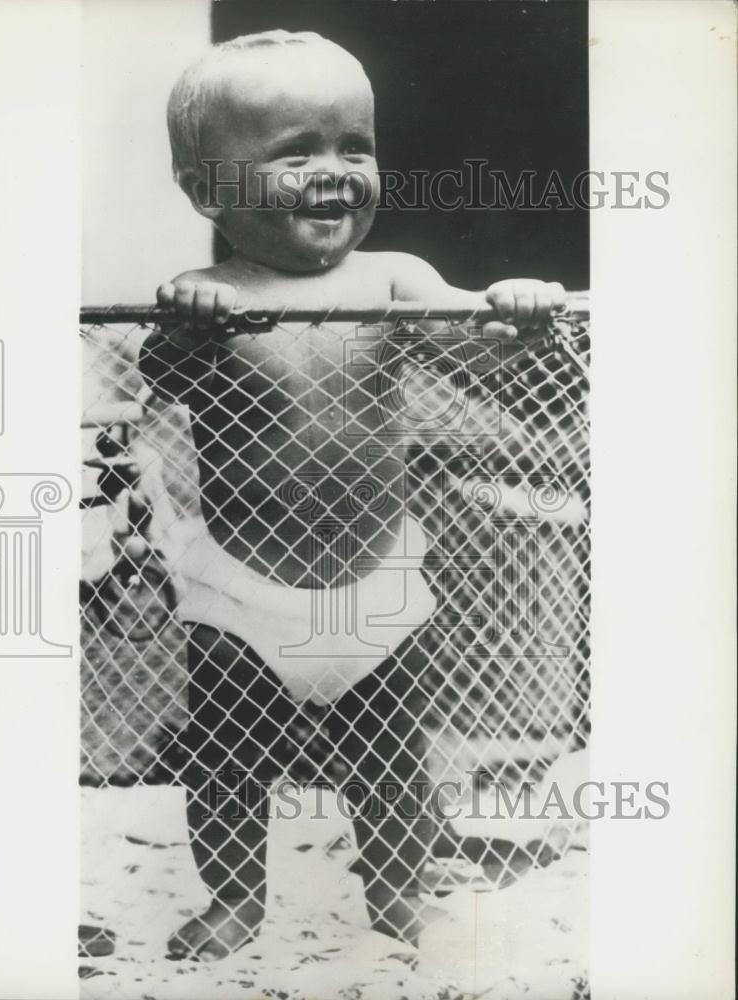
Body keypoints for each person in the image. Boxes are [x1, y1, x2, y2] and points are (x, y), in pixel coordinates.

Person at [139, 29, 565, 961]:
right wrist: (188, 326)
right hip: (245, 599)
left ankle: (400, 894)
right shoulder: (206, 293)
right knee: (224, 760)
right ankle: (237, 900)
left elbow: (473, 342)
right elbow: (160, 368)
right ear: (210, 190)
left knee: (393, 765)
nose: (335, 172)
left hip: (377, 591)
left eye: (355, 147)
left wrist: (517, 310)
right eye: (295, 152)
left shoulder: (395, 280)